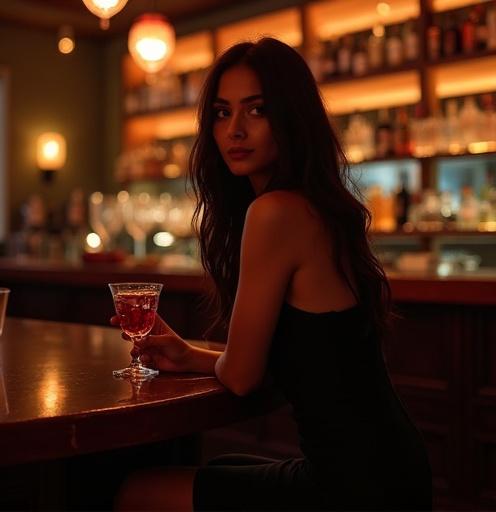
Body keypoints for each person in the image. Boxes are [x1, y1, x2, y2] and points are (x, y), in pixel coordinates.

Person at [113, 37, 432, 511]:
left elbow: (241, 377)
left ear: (291, 117)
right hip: (389, 469)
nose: (235, 130)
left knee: (134, 494)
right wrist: (189, 355)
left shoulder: (275, 212)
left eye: (256, 110)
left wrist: (209, 361)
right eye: (222, 113)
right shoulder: (313, 205)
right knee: (220, 469)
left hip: (353, 487)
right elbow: (274, 364)